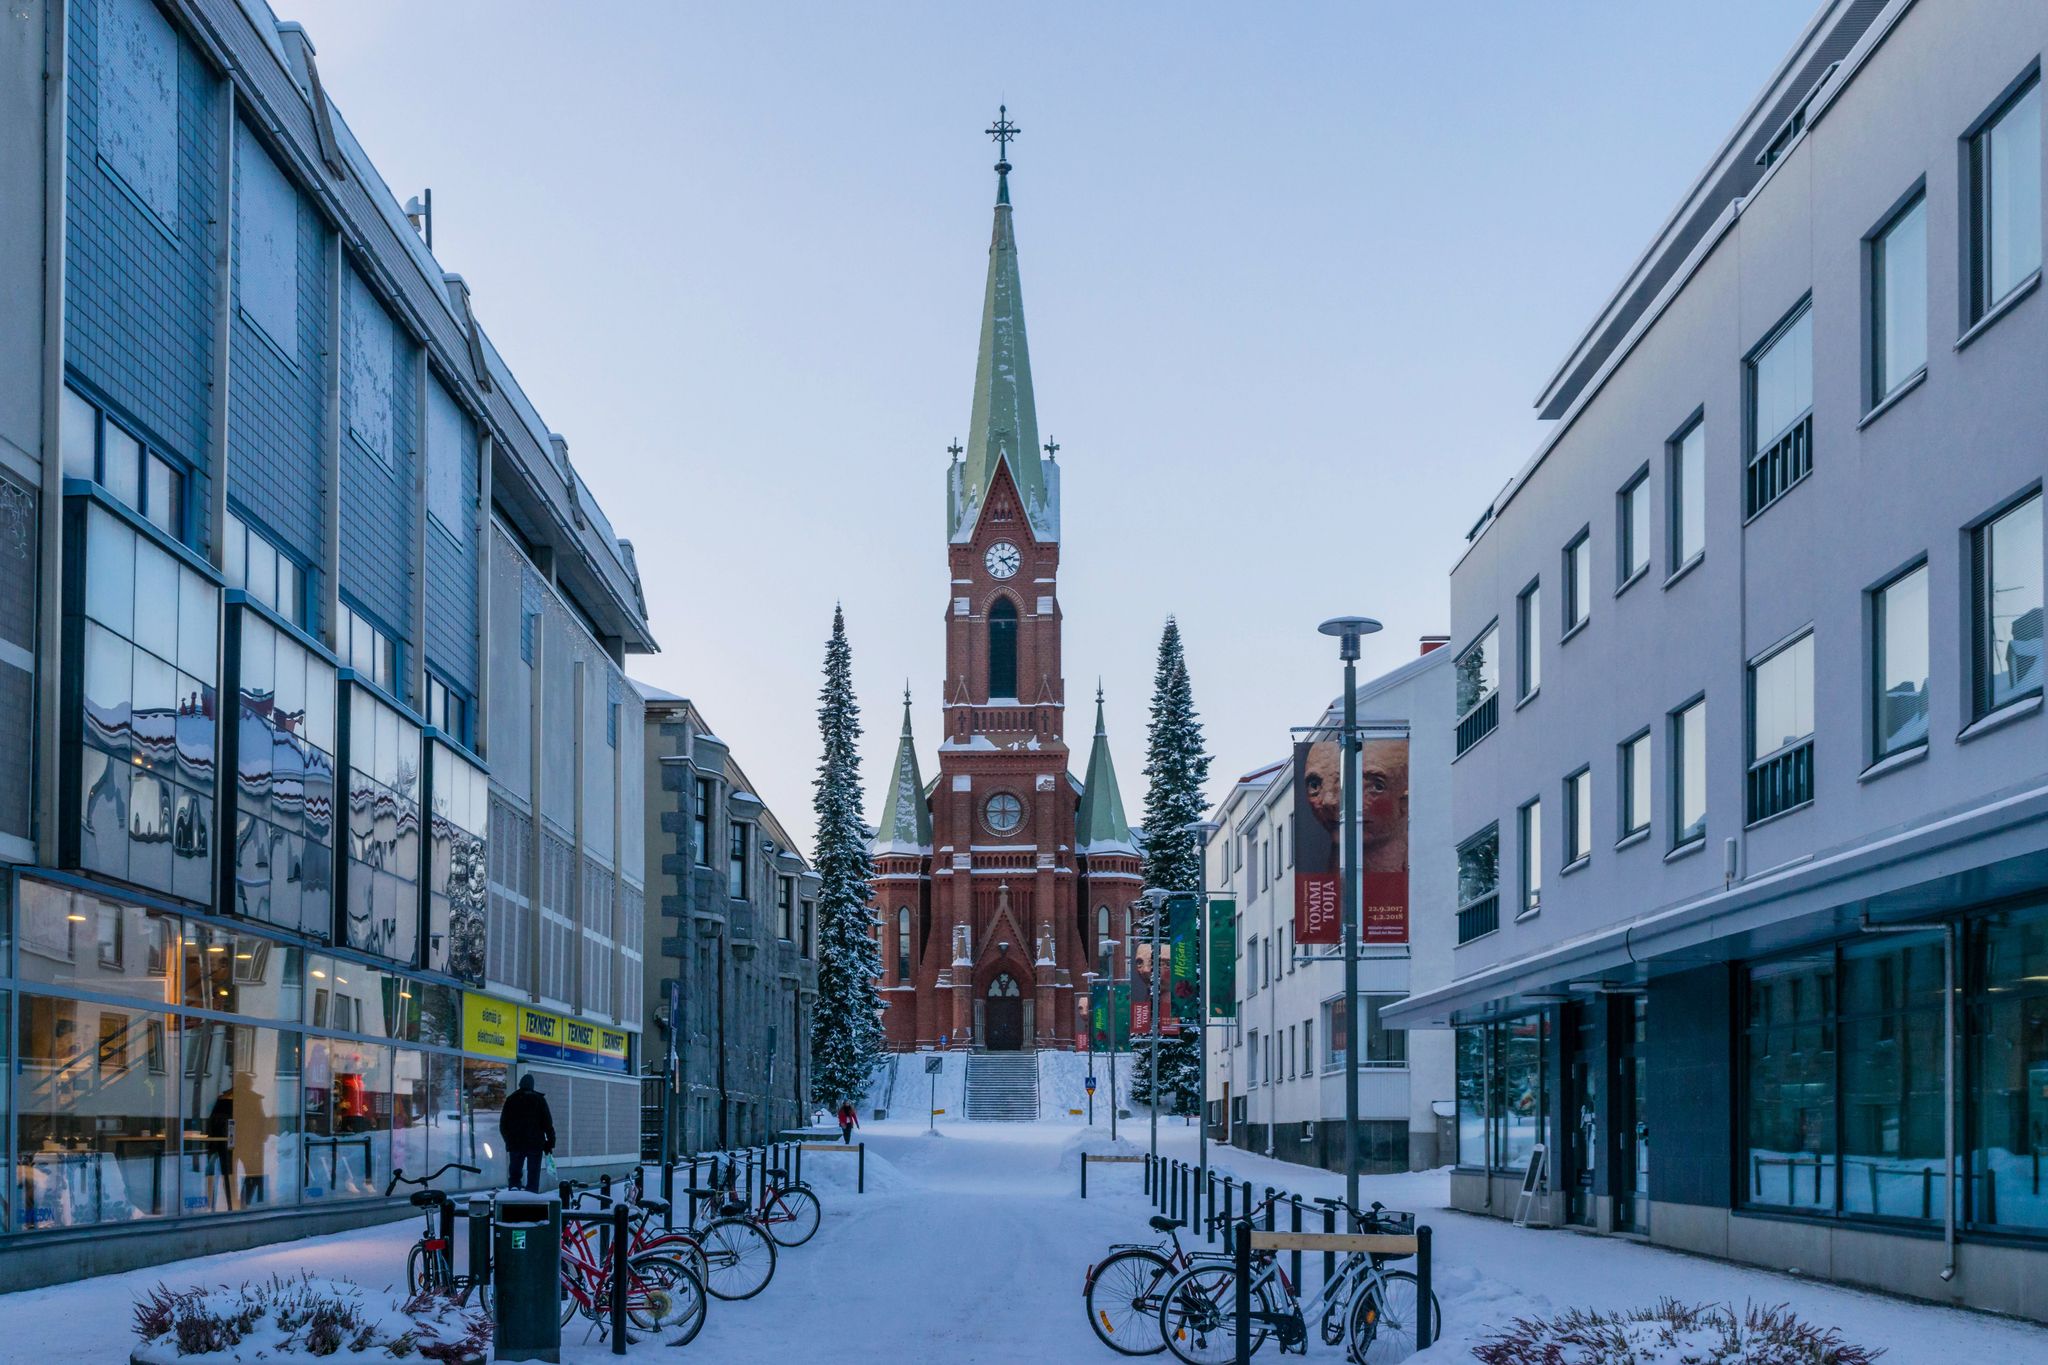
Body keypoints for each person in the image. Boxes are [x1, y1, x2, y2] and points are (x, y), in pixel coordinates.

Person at [499, 1074, 556, 1191]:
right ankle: (532, 1200)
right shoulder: (539, 1100)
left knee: (515, 1175)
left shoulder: (511, 1100)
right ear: (532, 1086)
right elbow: (548, 1124)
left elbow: (503, 1125)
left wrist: (508, 1141)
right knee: (533, 1176)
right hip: (535, 1145)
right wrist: (550, 1143)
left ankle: (514, 1198)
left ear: (520, 1084)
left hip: (516, 1145)